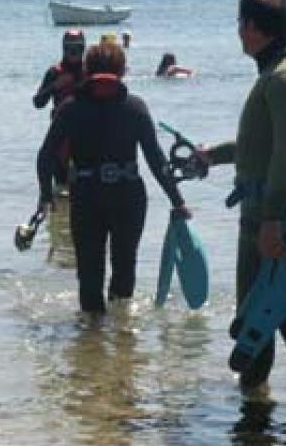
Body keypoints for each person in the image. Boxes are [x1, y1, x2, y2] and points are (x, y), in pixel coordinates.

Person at [198, 0, 286, 402]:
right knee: (278, 318)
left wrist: (271, 220)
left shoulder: (285, 78)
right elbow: (263, 148)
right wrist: (213, 156)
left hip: (273, 222)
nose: (238, 32)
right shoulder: (282, 73)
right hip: (271, 218)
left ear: (254, 28)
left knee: (271, 319)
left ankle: (270, 415)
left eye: (241, 24)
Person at [37, 43, 191, 314]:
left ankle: (90, 338)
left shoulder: (70, 108)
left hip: (86, 196)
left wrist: (45, 195)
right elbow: (156, 160)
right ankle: (122, 338)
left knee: (89, 273)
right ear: (122, 71)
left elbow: (45, 156)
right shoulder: (135, 107)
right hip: (128, 197)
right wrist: (178, 201)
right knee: (124, 267)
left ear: (86, 71)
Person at [33, 29, 86, 188]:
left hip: (86, 134)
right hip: (60, 134)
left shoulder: (89, 71)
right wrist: (55, 86)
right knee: (60, 180)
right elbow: (38, 102)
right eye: (69, 48)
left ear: (83, 48)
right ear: (63, 48)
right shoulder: (55, 72)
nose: (73, 52)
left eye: (77, 48)